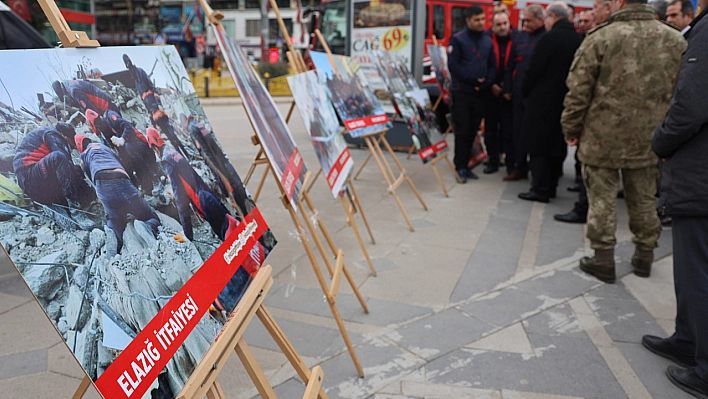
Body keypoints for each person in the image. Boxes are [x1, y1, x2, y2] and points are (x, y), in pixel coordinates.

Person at [561, 0, 686, 283]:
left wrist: (571, 127)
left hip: (601, 136)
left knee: (601, 200)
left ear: (618, 2)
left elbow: (578, 90)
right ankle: (644, 255)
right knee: (644, 198)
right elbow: (684, 93)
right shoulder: (674, 39)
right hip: (651, 138)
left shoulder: (601, 37)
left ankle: (603, 259)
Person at [646, 16, 708, 396]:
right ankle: (688, 340)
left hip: (701, 176)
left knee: (696, 271)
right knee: (692, 270)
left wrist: (661, 141)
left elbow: (691, 103)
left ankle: (704, 366)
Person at [517, 2, 582, 203]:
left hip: (542, 101)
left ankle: (540, 189)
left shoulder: (549, 39)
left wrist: (524, 91)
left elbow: (533, 70)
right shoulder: (578, 39)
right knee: (556, 146)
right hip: (565, 100)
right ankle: (552, 185)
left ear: (552, 17)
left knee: (538, 147)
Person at [75, 135, 161, 257]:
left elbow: (91, 179)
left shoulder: (84, 156)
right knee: (151, 216)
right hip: (121, 180)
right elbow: (123, 165)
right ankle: (147, 225)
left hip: (102, 186)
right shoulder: (105, 148)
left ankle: (114, 235)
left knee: (115, 219)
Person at [448, 5, 496, 183]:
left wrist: (487, 82)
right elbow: (454, 66)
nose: (481, 23)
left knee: (472, 131)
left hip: (480, 94)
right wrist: (473, 81)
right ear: (468, 21)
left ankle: (467, 165)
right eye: (477, 20)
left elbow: (492, 65)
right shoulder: (458, 40)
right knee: (462, 130)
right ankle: (460, 165)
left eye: (483, 19)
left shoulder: (487, 40)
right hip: (463, 92)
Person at [13, 125, 95, 228]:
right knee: (60, 158)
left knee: (71, 171)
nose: (73, 147)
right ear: (66, 137)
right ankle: (76, 212)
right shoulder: (53, 134)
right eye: (72, 144)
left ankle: (59, 207)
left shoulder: (47, 135)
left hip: (36, 182)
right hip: (30, 176)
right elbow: (66, 164)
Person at [502, 5, 546, 181]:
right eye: (524, 20)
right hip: (518, 94)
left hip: (535, 96)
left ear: (540, 20)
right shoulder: (520, 37)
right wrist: (507, 88)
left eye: (529, 20)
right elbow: (510, 64)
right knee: (516, 131)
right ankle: (519, 167)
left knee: (534, 134)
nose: (525, 24)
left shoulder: (546, 38)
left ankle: (537, 171)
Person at [181, 114, 249, 218]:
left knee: (233, 193)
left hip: (217, 165)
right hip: (222, 160)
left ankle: (244, 215)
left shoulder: (192, 130)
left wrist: (221, 182)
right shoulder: (197, 124)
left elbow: (205, 151)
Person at [122, 54, 189, 158]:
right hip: (154, 114)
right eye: (126, 64)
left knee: (171, 134)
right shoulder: (136, 80)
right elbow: (145, 102)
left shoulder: (140, 72)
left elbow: (152, 88)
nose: (128, 66)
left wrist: (158, 105)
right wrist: (151, 120)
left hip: (158, 111)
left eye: (128, 63)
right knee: (169, 136)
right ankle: (182, 154)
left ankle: (186, 153)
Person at [86, 109, 159, 194]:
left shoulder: (110, 116)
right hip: (130, 150)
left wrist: (122, 139)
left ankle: (153, 179)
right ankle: (137, 189)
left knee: (129, 150)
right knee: (124, 162)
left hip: (139, 143)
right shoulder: (105, 133)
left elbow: (128, 127)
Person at [484, 11, 514, 175]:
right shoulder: (486, 39)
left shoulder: (516, 38)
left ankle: (510, 162)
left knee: (508, 129)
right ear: (493, 26)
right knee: (490, 128)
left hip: (509, 93)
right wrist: (492, 84)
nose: (502, 27)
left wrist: (507, 86)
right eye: (499, 24)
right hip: (490, 91)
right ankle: (493, 160)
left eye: (505, 23)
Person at [52, 80, 120, 115]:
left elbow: (89, 109)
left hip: (104, 106)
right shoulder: (69, 84)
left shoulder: (74, 91)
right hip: (104, 101)